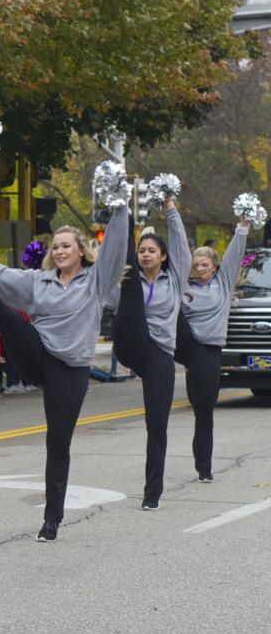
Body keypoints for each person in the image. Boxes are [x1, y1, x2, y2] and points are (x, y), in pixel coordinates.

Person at [0, 196, 129, 541]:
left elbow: (116, 250)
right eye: (55, 246)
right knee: (10, 320)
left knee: (58, 441)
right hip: (38, 355)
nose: (59, 251)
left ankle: (52, 519)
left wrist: (120, 208)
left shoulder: (96, 281)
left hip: (70, 370)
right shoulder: (37, 281)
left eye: (66, 246)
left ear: (80, 250)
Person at [110, 202, 191, 510]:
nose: (145, 254)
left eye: (151, 251)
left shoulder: (176, 279)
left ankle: (152, 492)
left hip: (159, 353)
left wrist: (171, 208)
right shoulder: (127, 280)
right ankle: (125, 216)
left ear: (163, 257)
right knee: (128, 283)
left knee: (156, 424)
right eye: (141, 250)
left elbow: (182, 247)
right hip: (130, 344)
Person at [176, 217, 251, 481]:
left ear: (215, 266)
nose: (198, 269)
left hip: (207, 352)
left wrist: (242, 226)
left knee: (203, 409)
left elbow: (235, 254)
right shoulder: (183, 286)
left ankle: (203, 466)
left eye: (204, 265)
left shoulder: (223, 284)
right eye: (195, 265)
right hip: (185, 344)